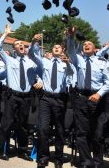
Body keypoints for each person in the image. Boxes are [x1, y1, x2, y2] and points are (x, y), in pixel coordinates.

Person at [0, 24, 40, 161]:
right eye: (17, 44)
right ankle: (0, 150)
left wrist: (40, 82)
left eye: (22, 43)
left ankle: (22, 151)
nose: (21, 45)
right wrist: (5, 34)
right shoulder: (10, 60)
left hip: (26, 97)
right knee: (7, 123)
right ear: (14, 49)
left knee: (22, 126)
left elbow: (40, 74)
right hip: (12, 96)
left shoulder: (31, 63)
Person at [66, 26, 109, 168]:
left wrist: (99, 94)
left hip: (97, 100)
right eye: (85, 44)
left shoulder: (102, 63)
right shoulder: (78, 60)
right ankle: (86, 162)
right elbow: (70, 51)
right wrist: (70, 37)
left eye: (89, 44)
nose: (86, 45)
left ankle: (98, 162)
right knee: (82, 133)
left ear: (95, 49)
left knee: (97, 134)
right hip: (80, 99)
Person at [28, 34, 76, 168]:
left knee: (60, 130)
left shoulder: (66, 63)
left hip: (60, 99)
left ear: (62, 50)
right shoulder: (45, 62)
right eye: (54, 47)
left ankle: (58, 158)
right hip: (46, 98)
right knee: (43, 128)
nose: (56, 48)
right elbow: (31, 55)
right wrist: (34, 41)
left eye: (58, 47)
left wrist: (67, 63)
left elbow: (71, 74)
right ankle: (43, 157)